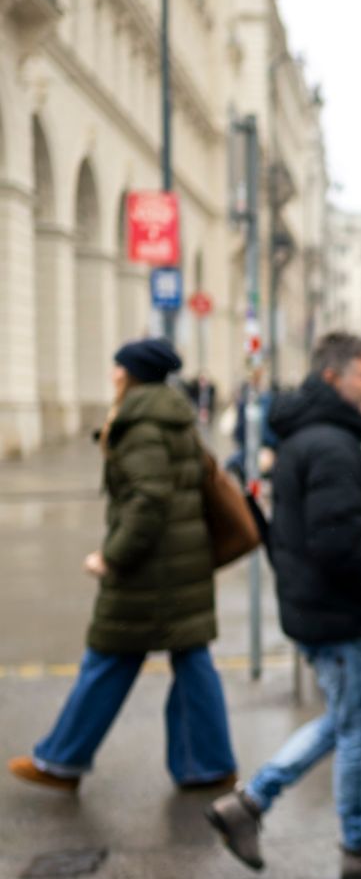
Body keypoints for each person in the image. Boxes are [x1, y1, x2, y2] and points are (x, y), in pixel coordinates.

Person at [206, 332, 361, 879]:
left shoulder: (305, 438)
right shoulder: (330, 446)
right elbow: (337, 540)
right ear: (331, 378)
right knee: (360, 729)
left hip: (319, 609)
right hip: (341, 615)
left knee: (346, 721)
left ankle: (248, 805)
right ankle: (359, 846)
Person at [9, 339, 237, 793]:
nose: (113, 373)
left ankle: (62, 760)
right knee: (189, 657)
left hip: (150, 570)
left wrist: (112, 556)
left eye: (118, 367)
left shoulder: (141, 423)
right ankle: (207, 765)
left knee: (109, 656)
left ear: (132, 374)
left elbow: (148, 500)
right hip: (180, 562)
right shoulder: (173, 414)